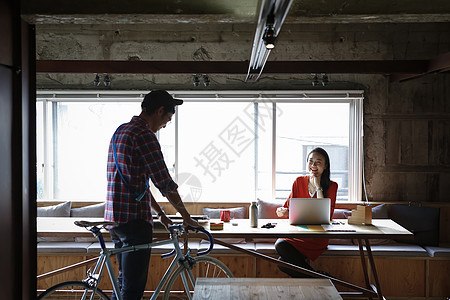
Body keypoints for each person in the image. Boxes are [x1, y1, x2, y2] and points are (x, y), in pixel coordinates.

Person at [105, 90, 200, 300]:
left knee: (122, 284)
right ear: (159, 111)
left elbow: (137, 186)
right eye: (167, 118)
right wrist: (186, 217)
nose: (166, 124)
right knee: (132, 290)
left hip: (115, 221)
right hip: (134, 223)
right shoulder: (144, 135)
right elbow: (164, 183)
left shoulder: (121, 131)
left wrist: (161, 216)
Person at [275, 147, 338, 278]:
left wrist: (318, 187)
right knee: (281, 260)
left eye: (318, 162)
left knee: (282, 254)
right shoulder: (298, 181)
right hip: (299, 233)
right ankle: (321, 278)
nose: (313, 165)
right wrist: (282, 211)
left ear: (325, 166)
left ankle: (320, 279)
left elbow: (326, 214)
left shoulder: (332, 186)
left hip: (318, 236)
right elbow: (287, 207)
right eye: (310, 161)